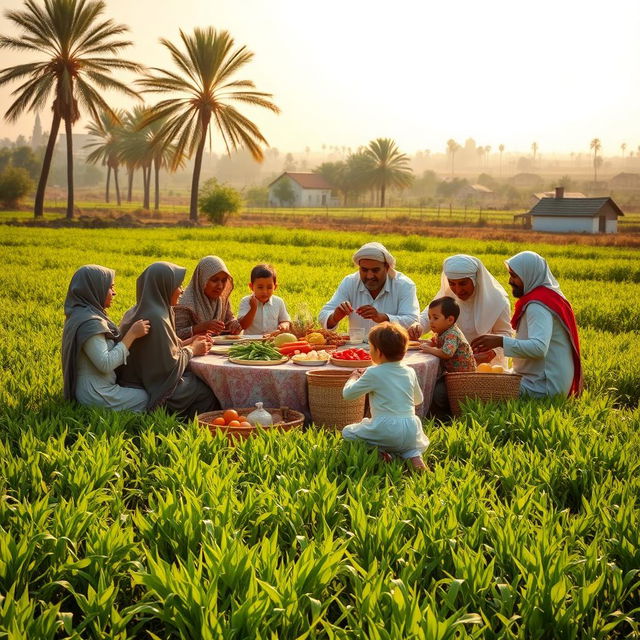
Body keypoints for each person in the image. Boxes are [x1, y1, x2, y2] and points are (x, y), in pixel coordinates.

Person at [471, 251, 583, 398]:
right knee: (484, 376)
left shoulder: (538, 306)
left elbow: (539, 348)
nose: (510, 280)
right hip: (535, 378)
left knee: (477, 387)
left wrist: (499, 341)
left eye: (515, 276)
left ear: (529, 276)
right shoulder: (546, 297)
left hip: (544, 386)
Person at [118, 261, 219, 418]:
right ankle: (189, 429)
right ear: (164, 286)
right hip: (153, 387)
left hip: (140, 379)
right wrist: (193, 349)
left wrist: (190, 341)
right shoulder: (157, 317)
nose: (182, 290)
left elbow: (162, 349)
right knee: (204, 389)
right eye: (178, 286)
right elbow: (169, 367)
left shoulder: (143, 309)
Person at [341, 322, 430, 472]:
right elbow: (418, 400)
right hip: (411, 429)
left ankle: (380, 453)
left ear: (379, 352)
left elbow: (348, 394)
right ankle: (415, 459)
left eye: (370, 348)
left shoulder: (373, 372)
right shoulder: (410, 371)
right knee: (410, 448)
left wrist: (354, 377)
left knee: (348, 432)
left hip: (385, 428)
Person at [62, 264, 150, 412]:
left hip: (96, 388)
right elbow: (105, 363)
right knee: (145, 397)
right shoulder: (89, 322)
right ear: (94, 288)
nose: (114, 293)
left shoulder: (82, 314)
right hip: (96, 393)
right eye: (110, 287)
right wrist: (132, 334)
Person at [408, 254, 512, 365]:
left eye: (463, 283)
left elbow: (505, 334)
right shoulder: (447, 294)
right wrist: (417, 326)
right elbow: (428, 316)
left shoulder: (497, 300)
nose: (458, 290)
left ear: (475, 279)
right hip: (453, 363)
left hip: (487, 366)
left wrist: (492, 353)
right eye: (452, 283)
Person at [318, 242, 419, 334]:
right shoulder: (350, 282)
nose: (369, 276)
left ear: (387, 268)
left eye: (375, 270)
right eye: (364, 270)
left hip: (392, 349)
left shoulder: (404, 285)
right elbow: (323, 315)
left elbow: (412, 321)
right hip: (356, 351)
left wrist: (383, 317)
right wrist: (335, 317)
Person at [174, 255, 242, 340]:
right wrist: (200, 327)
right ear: (202, 279)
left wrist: (233, 325)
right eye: (214, 280)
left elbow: (229, 320)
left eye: (224, 280)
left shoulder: (222, 299)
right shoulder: (184, 303)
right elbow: (176, 335)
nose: (220, 286)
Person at [419, 296, 476, 372]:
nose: (431, 321)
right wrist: (420, 342)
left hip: (463, 376)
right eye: (429, 317)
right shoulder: (442, 331)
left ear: (450, 320)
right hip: (453, 373)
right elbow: (435, 343)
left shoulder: (452, 334)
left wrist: (430, 350)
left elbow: (447, 353)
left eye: (435, 318)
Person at [237, 264, 291, 335]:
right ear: (251, 286)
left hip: (271, 340)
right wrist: (253, 308)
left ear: (275, 287)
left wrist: (284, 325)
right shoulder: (246, 301)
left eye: (269, 287)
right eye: (260, 287)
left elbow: (285, 320)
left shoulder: (278, 302)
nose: (265, 292)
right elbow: (243, 325)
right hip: (250, 342)